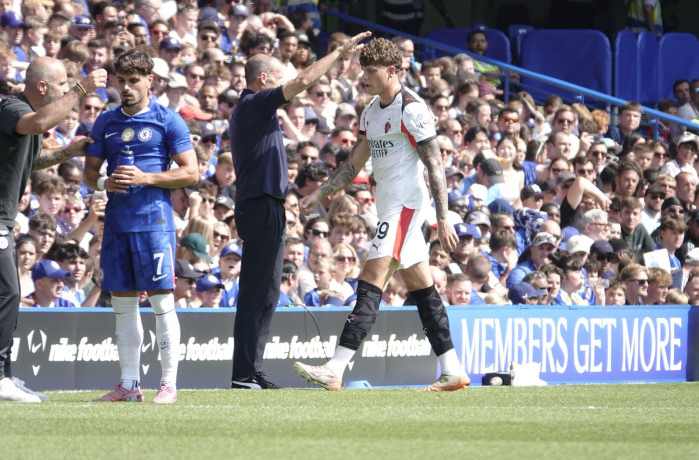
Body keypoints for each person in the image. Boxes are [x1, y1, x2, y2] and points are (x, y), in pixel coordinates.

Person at [293, 37, 469, 392]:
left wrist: (444, 217)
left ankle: (336, 366)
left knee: (371, 277)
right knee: (422, 289)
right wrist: (320, 192)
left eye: (370, 71)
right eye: (362, 69)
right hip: (387, 204)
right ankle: (452, 369)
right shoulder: (371, 111)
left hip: (405, 206)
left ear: (392, 71)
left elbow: (435, 167)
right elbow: (353, 163)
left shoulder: (413, 109)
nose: (363, 77)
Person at [228, 28, 370, 390]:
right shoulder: (253, 103)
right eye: (278, 77)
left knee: (269, 293)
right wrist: (338, 54)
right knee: (256, 292)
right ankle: (243, 373)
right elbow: (305, 80)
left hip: (269, 207)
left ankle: (251, 370)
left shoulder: (257, 109)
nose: (285, 83)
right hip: (259, 207)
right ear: (263, 80)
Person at [84, 49, 198, 404]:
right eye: (123, 81)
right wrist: (105, 184)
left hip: (154, 223)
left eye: (135, 81)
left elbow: (192, 172)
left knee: (163, 303)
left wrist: (147, 176)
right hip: (117, 223)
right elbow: (90, 173)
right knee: (123, 305)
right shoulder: (105, 121)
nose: (128, 87)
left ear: (150, 81)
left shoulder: (168, 120)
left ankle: (168, 384)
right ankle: (129, 384)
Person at [0, 57, 105, 403]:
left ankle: (6, 377)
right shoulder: (13, 109)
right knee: (8, 294)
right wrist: (82, 88)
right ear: (42, 87)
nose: (66, 92)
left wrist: (68, 151)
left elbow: (33, 162)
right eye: (61, 85)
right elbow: (42, 120)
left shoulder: (26, 123)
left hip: (4, 219)